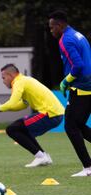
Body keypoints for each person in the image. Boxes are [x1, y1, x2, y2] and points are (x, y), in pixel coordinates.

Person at [0, 64, 64, 167]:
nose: (3, 81)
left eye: (3, 78)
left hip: (49, 114)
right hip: (55, 114)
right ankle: (43, 157)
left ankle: (41, 157)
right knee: (20, 130)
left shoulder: (18, 82)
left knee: (12, 129)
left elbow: (12, 102)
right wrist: (0, 109)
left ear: (10, 75)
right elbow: (22, 105)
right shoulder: (24, 80)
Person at [49, 10, 91, 176]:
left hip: (81, 88)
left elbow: (78, 66)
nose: (51, 31)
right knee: (78, 125)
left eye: (52, 27)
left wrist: (66, 81)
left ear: (60, 26)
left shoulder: (66, 40)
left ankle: (88, 167)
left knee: (71, 126)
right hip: (88, 85)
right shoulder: (77, 35)